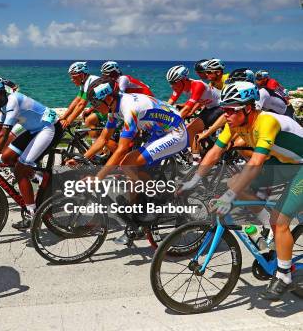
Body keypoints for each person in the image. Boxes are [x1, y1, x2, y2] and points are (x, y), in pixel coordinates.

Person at [179, 81, 302, 300]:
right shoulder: (233, 123)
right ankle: (269, 228)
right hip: (285, 164)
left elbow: (255, 164)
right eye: (224, 109)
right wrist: (193, 181)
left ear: (248, 108)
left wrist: (228, 198)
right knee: (234, 181)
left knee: (280, 220)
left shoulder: (266, 122)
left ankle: (284, 276)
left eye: (230, 110)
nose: (225, 114)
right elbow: (215, 153)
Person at [76, 77, 188, 245]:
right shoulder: (114, 107)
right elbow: (103, 138)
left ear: (108, 99)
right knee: (132, 172)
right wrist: (83, 158)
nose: (94, 108)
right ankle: (137, 220)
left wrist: (98, 178)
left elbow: (121, 149)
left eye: (96, 103)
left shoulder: (129, 109)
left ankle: (160, 199)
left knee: (128, 163)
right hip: (158, 130)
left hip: (175, 133)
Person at [0, 78, 64, 230]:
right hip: (34, 129)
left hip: (49, 128)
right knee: (7, 157)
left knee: (20, 169)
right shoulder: (3, 104)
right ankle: (39, 177)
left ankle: (32, 213)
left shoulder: (12, 102)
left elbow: (4, 134)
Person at [166, 65, 222, 154]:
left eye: (173, 82)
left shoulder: (197, 85)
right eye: (170, 83)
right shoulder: (179, 86)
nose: (172, 85)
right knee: (190, 128)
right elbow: (168, 104)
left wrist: (170, 123)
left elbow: (188, 108)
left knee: (191, 129)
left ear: (183, 80)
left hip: (220, 106)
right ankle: (203, 150)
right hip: (209, 107)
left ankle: (196, 160)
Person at [59, 61, 104, 139]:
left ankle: (98, 146)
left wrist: (68, 121)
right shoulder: (84, 82)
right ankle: (100, 142)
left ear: (81, 75)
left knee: (89, 121)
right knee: (88, 117)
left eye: (74, 77)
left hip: (112, 109)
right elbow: (77, 100)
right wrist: (64, 117)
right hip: (103, 107)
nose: (72, 79)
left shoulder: (91, 81)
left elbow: (82, 104)